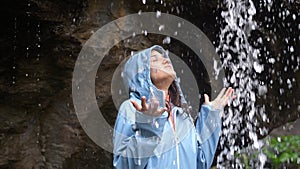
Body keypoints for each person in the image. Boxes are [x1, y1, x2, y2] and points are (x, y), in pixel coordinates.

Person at [113, 45, 233, 169]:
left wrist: (211, 117)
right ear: (141, 74)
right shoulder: (131, 108)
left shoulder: (182, 115)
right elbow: (123, 166)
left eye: (165, 57)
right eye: (155, 59)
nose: (166, 60)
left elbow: (200, 164)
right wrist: (148, 125)